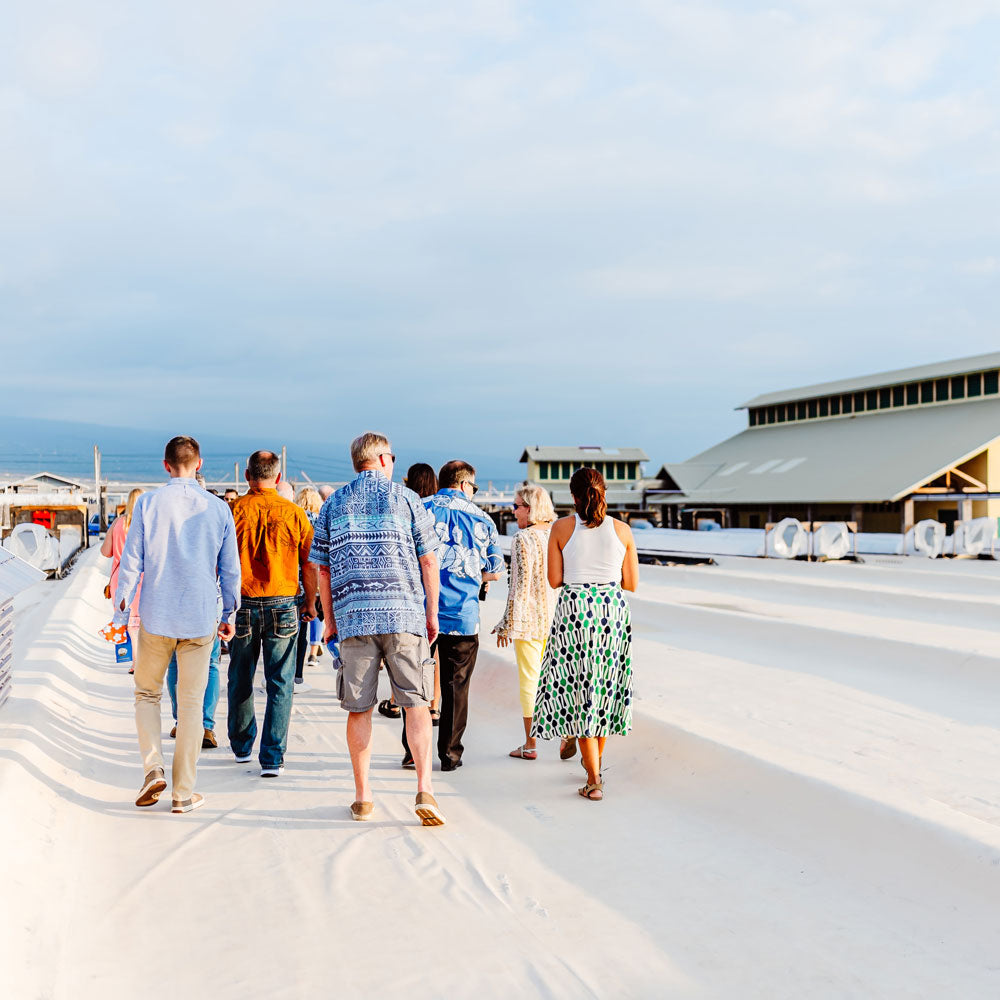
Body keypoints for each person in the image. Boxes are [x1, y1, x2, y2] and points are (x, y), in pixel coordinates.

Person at [310, 431, 444, 825]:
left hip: (355, 618)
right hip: (404, 616)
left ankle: (364, 796)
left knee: (359, 708)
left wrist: (330, 620)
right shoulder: (407, 500)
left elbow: (321, 567)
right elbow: (429, 562)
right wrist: (431, 613)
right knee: (416, 705)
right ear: (383, 459)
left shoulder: (334, 503)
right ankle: (425, 790)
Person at [114, 436, 239, 814]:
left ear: (165, 465)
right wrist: (228, 614)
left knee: (146, 693)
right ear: (198, 464)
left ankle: (153, 768)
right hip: (200, 620)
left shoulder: (148, 504)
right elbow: (230, 570)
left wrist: (121, 616)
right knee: (190, 705)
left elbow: (131, 564)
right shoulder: (218, 509)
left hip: (157, 617)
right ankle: (183, 793)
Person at [532, 467, 639, 801]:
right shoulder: (623, 531)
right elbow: (632, 583)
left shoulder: (561, 528)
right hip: (611, 611)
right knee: (604, 688)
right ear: (604, 492)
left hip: (575, 609)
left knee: (578, 691)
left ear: (573, 496)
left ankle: (594, 779)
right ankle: (594, 763)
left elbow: (553, 579)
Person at [401, 460, 503, 772]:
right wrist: (469, 573)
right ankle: (450, 755)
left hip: (420, 613)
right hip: (462, 615)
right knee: (456, 688)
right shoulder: (483, 519)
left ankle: (412, 752)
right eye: (472, 486)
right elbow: (494, 572)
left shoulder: (417, 509)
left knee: (414, 684)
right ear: (463, 484)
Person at [227, 451, 316, 777]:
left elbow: (219, 561)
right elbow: (310, 562)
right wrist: (310, 602)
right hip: (283, 602)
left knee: (240, 677)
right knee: (280, 682)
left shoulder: (234, 511)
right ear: (277, 478)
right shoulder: (294, 513)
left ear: (248, 476)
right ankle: (272, 757)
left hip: (243, 603)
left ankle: (241, 746)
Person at [492, 482, 557, 760]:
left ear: (529, 509)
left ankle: (530, 744)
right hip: (557, 618)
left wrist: (508, 622)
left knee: (530, 681)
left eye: (516, 506)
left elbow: (519, 584)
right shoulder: (557, 534)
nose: (513, 511)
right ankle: (568, 735)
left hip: (530, 621)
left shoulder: (523, 539)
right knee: (556, 679)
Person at [377, 463, 440, 722]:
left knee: (400, 656)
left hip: (409, 595)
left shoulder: (406, 505)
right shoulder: (437, 508)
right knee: (434, 657)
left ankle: (395, 702)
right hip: (442, 593)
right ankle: (434, 706)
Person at [101, 488, 144, 675]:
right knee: (145, 622)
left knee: (131, 624)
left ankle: (135, 662)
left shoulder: (118, 523)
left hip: (121, 578)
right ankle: (146, 662)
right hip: (143, 576)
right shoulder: (148, 524)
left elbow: (105, 552)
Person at [293, 486, 324, 691]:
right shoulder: (320, 523)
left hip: (290, 581)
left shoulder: (293, 517)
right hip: (311, 581)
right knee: (302, 631)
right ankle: (298, 676)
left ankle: (280, 675)